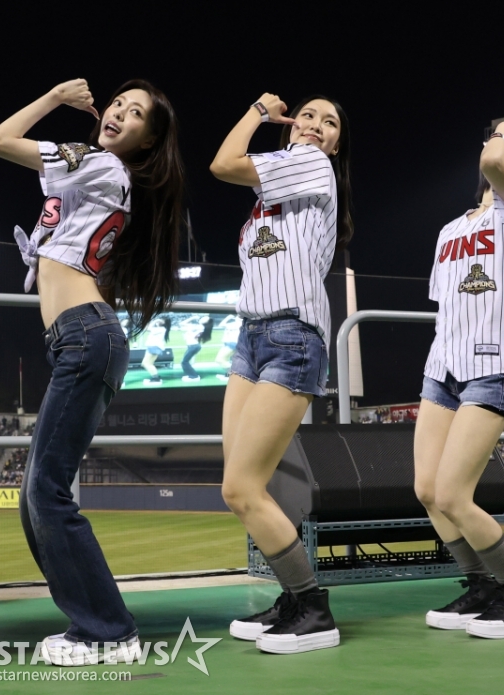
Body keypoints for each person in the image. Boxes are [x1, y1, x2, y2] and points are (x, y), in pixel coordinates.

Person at [0, 77, 184, 665]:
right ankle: (93, 623)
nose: (118, 112)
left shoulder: (98, 163)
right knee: (35, 496)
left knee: (45, 492)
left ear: (148, 141)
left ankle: (108, 632)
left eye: (135, 113)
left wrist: (52, 99)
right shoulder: (96, 173)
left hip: (84, 336)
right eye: (118, 103)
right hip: (77, 339)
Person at [210, 93, 353, 654]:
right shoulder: (267, 198)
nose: (316, 126)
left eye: (329, 122)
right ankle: (294, 598)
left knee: (240, 487)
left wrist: (256, 111)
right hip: (250, 339)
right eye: (309, 116)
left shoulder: (311, 163)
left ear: (335, 144)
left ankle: (314, 609)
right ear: (294, 125)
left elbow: (223, 164)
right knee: (244, 486)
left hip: (292, 336)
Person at [414, 121, 504, 639]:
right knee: (428, 490)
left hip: (490, 367)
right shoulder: (450, 230)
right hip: (441, 369)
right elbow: (446, 304)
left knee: (453, 493)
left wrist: (503, 133)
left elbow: (494, 164)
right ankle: (482, 586)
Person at [179, 316, 213, 382]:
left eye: (205, 319)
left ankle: (194, 376)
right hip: (193, 346)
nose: (202, 318)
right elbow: (182, 324)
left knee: (184, 362)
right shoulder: (199, 326)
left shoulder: (199, 327)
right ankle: (192, 375)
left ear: (206, 322)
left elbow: (182, 323)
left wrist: (193, 317)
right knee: (185, 362)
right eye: (203, 317)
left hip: (193, 346)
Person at [141, 317, 170, 385]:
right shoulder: (160, 329)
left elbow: (147, 328)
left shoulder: (161, 329)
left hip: (154, 347)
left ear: (164, 323)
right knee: (146, 363)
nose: (159, 321)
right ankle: (155, 376)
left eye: (161, 320)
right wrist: (155, 321)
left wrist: (155, 321)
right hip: (152, 347)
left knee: (147, 364)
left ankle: (156, 377)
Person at [214, 315, 242, 381]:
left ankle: (236, 374)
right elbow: (221, 325)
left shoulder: (241, 324)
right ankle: (229, 375)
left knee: (219, 359)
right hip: (230, 343)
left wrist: (229, 317)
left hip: (232, 343)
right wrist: (228, 318)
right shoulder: (232, 324)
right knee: (233, 361)